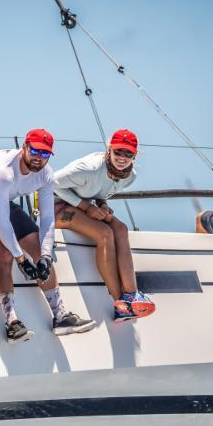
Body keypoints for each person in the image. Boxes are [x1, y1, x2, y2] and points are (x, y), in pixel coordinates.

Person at [0, 128, 96, 343]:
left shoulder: (46, 175)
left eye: (45, 154)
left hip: (4, 203)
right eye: (35, 151)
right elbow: (0, 221)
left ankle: (61, 316)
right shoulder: (4, 170)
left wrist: (45, 256)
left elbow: (47, 219)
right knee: (5, 254)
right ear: (24, 148)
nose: (39, 158)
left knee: (38, 245)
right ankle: (12, 322)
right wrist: (20, 258)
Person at [54, 129, 155, 322]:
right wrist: (87, 207)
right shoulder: (88, 168)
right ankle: (120, 304)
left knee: (121, 229)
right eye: (118, 151)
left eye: (128, 154)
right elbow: (51, 184)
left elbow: (101, 192)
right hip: (54, 208)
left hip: (84, 207)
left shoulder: (129, 176)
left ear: (135, 155)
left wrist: (102, 205)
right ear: (109, 150)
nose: (122, 157)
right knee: (105, 234)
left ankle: (132, 295)